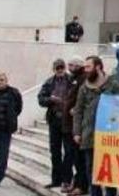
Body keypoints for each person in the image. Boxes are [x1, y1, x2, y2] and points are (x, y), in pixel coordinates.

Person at [72, 56, 116, 196]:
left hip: (109, 135)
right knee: (92, 172)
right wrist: (77, 132)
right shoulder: (84, 87)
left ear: (98, 67)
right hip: (89, 135)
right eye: (84, 67)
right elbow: (78, 110)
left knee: (110, 172)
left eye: (88, 67)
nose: (85, 70)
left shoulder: (112, 83)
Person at [38, 59, 73, 189]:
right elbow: (40, 99)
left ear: (65, 68)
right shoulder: (49, 82)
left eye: (61, 67)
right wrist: (50, 100)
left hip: (68, 120)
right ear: (54, 69)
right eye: (57, 68)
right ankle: (56, 179)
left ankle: (67, 180)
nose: (59, 70)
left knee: (69, 151)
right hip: (54, 119)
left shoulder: (71, 80)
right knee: (55, 151)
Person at [62, 58, 86, 195]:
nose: (69, 67)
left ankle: (81, 185)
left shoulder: (82, 78)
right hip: (69, 124)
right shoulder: (72, 79)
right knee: (74, 157)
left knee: (79, 158)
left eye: (71, 64)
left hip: (75, 123)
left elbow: (80, 99)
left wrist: (75, 109)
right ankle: (76, 183)